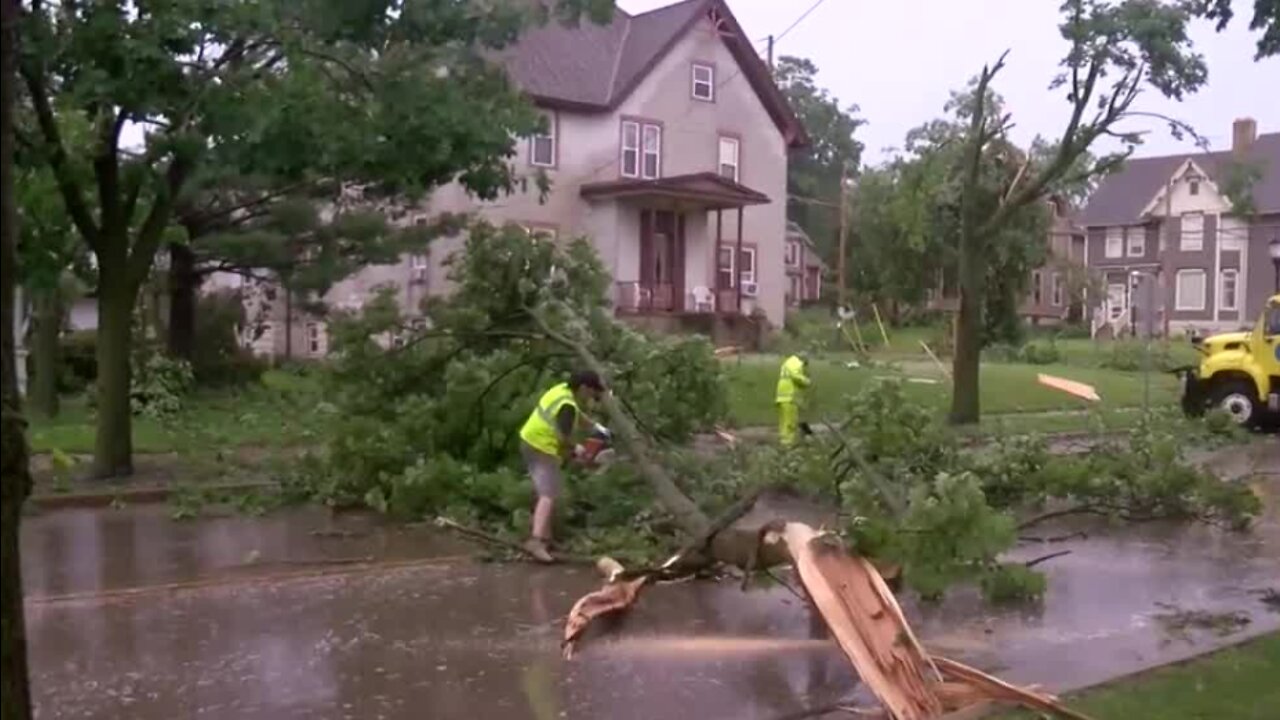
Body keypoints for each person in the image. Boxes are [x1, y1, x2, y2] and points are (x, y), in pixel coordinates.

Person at [518, 370, 606, 562]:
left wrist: (597, 429)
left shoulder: (562, 391)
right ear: (583, 388)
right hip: (541, 446)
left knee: (550, 490)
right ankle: (536, 541)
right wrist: (577, 449)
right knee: (548, 494)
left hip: (529, 441)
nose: (592, 396)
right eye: (592, 391)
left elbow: (577, 415)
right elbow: (562, 437)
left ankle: (546, 539)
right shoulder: (567, 405)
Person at [776, 353, 811, 446]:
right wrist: (806, 381)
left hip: (782, 396)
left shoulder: (787, 363)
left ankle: (783, 441)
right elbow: (796, 376)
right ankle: (788, 443)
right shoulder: (797, 363)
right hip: (790, 397)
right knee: (791, 422)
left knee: (784, 422)